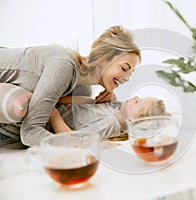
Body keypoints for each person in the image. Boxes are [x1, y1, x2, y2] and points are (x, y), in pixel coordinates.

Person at [0, 25, 141, 147]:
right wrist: (81, 144)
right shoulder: (63, 66)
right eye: (124, 69)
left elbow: (56, 122)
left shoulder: (83, 90)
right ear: (103, 58)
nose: (127, 79)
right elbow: (30, 133)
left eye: (131, 74)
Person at [50, 96, 170, 140]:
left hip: (51, 120)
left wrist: (52, 113)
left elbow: (74, 139)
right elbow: (85, 105)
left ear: (134, 121)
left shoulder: (111, 123)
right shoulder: (117, 107)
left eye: (138, 102)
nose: (135, 97)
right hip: (57, 106)